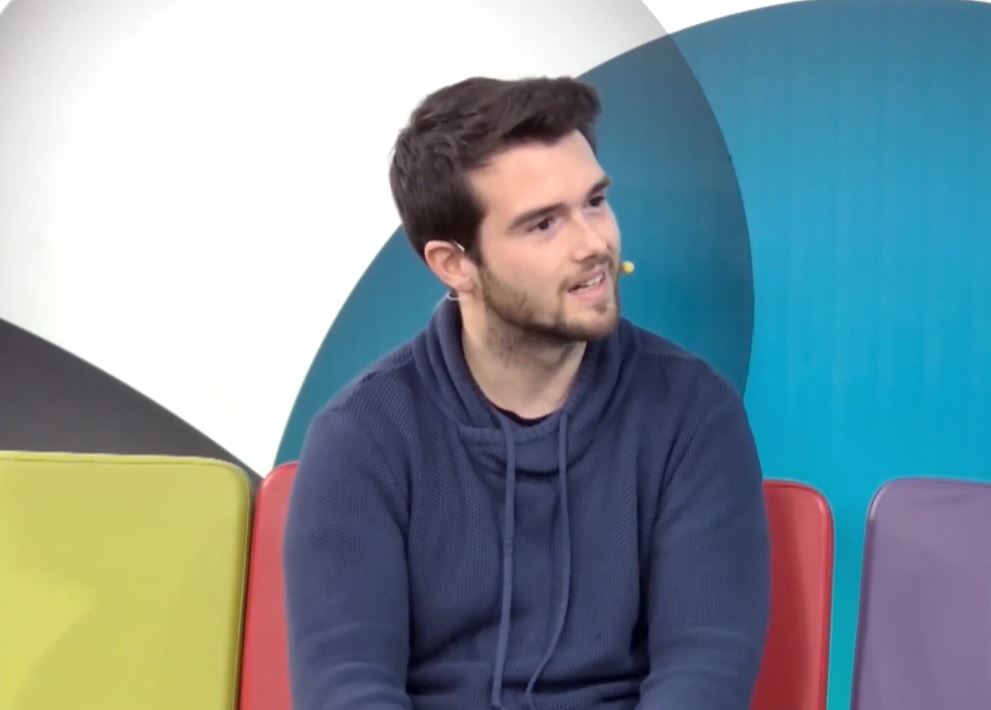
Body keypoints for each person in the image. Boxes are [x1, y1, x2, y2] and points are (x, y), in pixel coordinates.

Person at [282, 76, 771, 710]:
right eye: (543, 224)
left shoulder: (693, 414)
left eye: (595, 202)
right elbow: (346, 686)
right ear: (454, 264)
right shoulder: (361, 437)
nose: (593, 243)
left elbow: (704, 672)